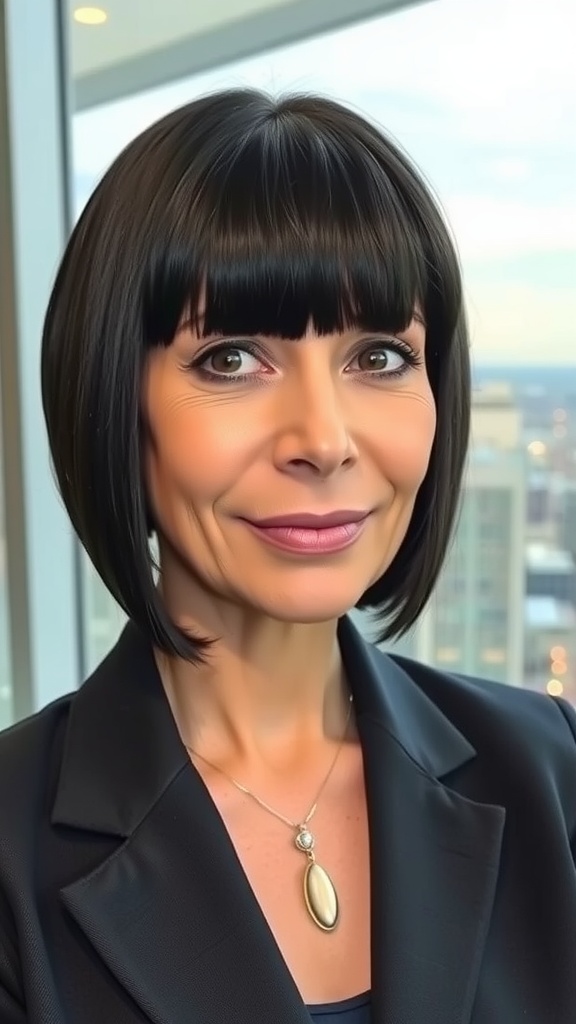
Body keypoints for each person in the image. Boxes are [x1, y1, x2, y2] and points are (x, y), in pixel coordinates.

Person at [0, 88, 574, 1024]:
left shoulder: (551, 773)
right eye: (231, 358)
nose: (323, 438)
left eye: (380, 356)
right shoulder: (10, 850)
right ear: (112, 393)